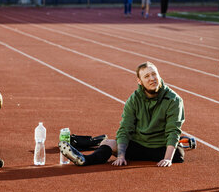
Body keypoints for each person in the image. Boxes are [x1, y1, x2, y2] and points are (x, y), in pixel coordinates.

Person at [59, 62, 187, 167]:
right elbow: (125, 128)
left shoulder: (174, 100)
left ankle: (171, 155)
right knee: (107, 143)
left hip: (161, 147)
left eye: (154, 74)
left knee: (178, 155)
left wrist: (167, 159)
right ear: (140, 81)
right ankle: (85, 160)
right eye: (147, 76)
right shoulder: (134, 99)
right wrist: (120, 156)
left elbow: (173, 130)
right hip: (139, 145)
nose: (152, 79)